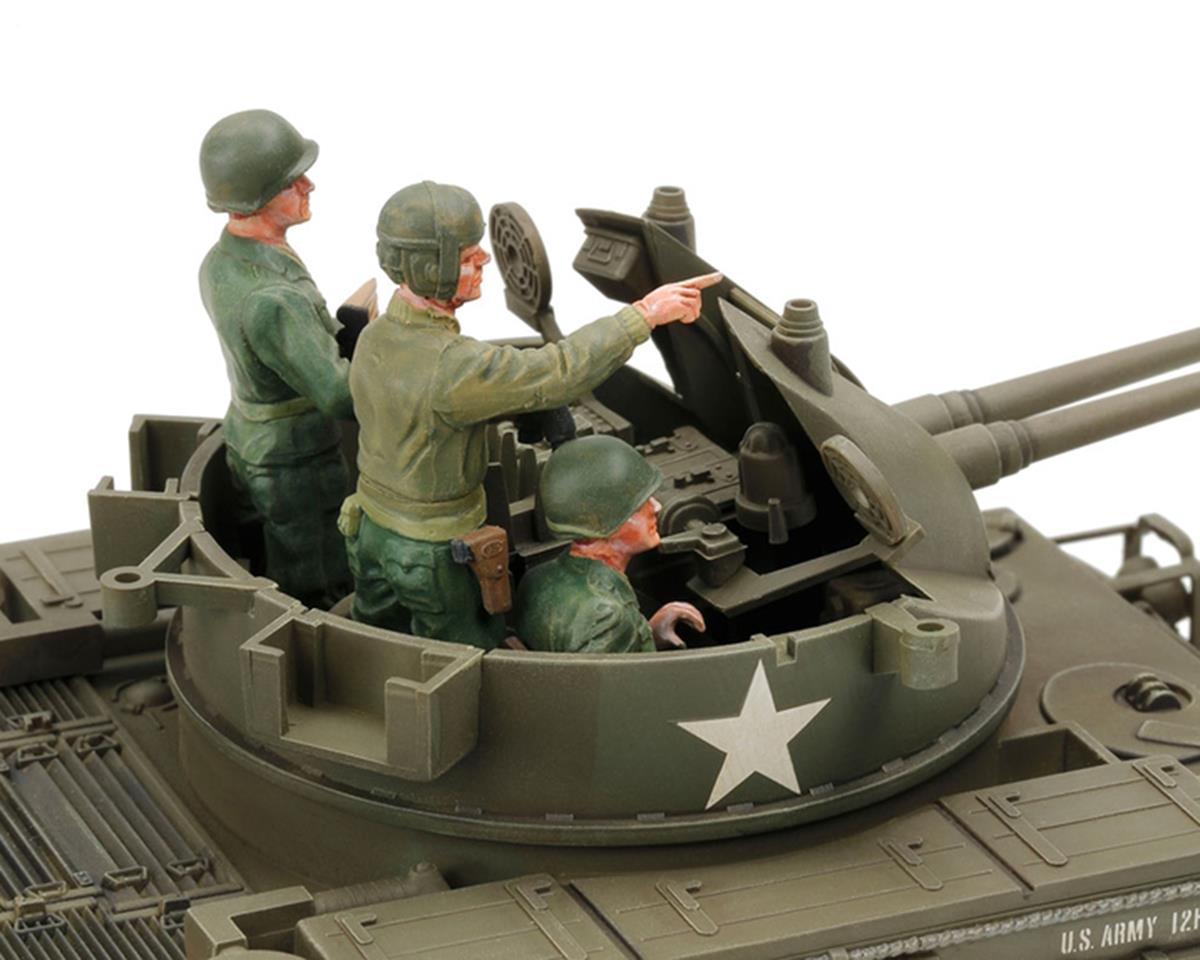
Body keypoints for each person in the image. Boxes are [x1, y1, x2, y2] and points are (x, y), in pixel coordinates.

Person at [341, 180, 719, 648]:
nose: (484, 259)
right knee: (466, 658)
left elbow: (419, 409)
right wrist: (643, 315)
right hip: (430, 555)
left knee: (368, 642)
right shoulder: (452, 364)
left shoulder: (377, 337)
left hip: (371, 530)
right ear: (429, 267)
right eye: (467, 256)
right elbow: (558, 371)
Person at [198, 109, 352, 609]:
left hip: (251, 435)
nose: (308, 185)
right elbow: (339, 395)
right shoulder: (272, 298)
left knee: (282, 550)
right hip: (296, 458)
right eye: (291, 181)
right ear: (255, 196)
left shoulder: (220, 262)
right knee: (317, 581)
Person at [515, 435, 706, 653]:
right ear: (607, 522)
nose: (656, 507)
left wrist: (646, 634)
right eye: (640, 505)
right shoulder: (607, 617)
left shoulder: (536, 580)